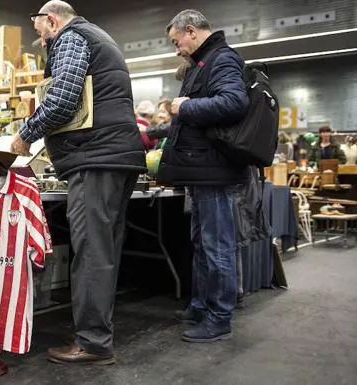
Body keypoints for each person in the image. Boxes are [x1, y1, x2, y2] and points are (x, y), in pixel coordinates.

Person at [10, 0, 146, 365]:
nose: (43, 45)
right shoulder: (98, 37)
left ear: (51, 22)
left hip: (96, 159)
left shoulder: (71, 37)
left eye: (41, 36)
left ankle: (94, 343)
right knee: (103, 250)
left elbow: (63, 98)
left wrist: (26, 134)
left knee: (91, 252)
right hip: (114, 156)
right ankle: (94, 331)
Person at [157, 10, 249, 342]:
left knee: (216, 245)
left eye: (176, 40)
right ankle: (200, 305)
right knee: (202, 243)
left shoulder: (221, 59)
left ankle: (219, 317)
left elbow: (234, 103)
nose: (176, 47)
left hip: (214, 170)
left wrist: (185, 107)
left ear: (191, 31)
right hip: (203, 169)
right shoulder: (203, 62)